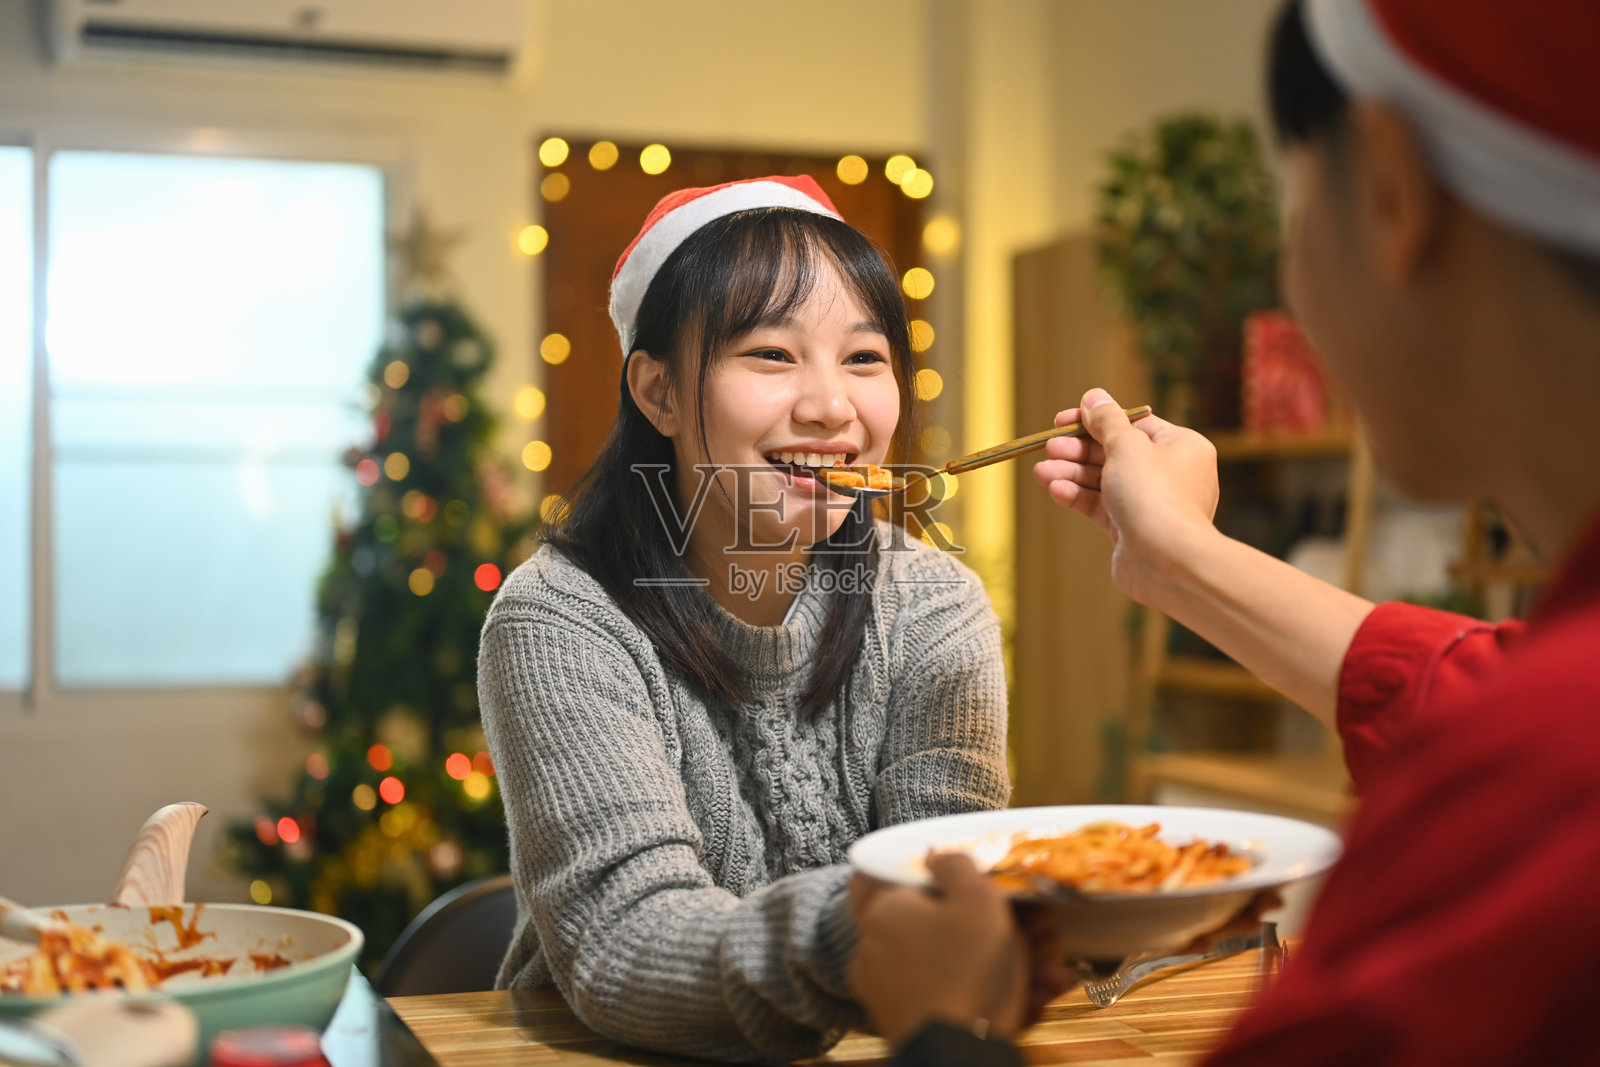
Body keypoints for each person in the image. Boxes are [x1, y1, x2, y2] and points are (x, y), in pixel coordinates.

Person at [849, 0, 1600, 1063]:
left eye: (1299, 207)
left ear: (1392, 195)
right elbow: (1467, 685)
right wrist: (1179, 558)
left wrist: (940, 1026)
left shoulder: (1539, 789)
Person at [477, 175, 1011, 1063]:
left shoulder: (934, 603)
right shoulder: (560, 619)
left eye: (864, 357)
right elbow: (623, 940)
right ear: (658, 392)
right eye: (771, 353)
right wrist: (867, 935)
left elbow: (949, 868)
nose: (831, 407)